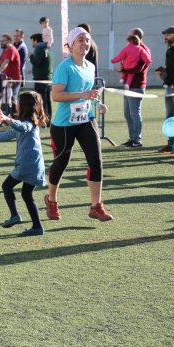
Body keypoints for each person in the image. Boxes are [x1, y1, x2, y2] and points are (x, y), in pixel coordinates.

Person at [43, 27, 113, 222]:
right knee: (61, 162)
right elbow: (56, 95)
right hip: (64, 123)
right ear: (71, 44)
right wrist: (82, 95)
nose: (85, 43)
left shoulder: (90, 67)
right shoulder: (64, 67)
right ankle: (52, 199)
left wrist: (98, 103)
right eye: (80, 39)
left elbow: (88, 92)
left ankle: (96, 206)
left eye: (88, 40)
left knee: (96, 161)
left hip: (86, 119)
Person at [0, 91, 48, 236]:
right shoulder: (26, 123)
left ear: (24, 106)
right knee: (26, 194)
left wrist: (8, 119)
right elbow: (11, 133)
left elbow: (22, 128)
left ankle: (15, 216)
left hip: (26, 166)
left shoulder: (28, 124)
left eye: (18, 102)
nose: (16, 105)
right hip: (35, 166)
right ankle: (37, 227)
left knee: (6, 186)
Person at [117, 28, 152, 148]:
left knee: (134, 113)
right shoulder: (131, 49)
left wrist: (125, 69)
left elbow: (139, 68)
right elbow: (127, 65)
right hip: (128, 85)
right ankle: (132, 138)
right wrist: (122, 68)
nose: (127, 38)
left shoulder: (143, 49)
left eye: (129, 35)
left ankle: (137, 140)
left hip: (137, 86)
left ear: (135, 36)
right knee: (128, 113)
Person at [0, 34, 22, 114]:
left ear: (9, 41)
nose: (1, 42)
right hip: (5, 79)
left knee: (12, 99)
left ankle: (14, 117)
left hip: (13, 80)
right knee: (3, 99)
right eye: (1, 41)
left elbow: (6, 62)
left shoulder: (11, 49)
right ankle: (5, 117)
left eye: (3, 41)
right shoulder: (5, 50)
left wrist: (0, 71)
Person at [29, 33, 54, 121]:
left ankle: (44, 120)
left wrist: (31, 56)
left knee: (41, 100)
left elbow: (36, 63)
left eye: (32, 41)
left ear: (36, 40)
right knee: (47, 100)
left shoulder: (39, 48)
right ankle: (48, 119)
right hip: (47, 77)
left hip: (40, 78)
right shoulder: (48, 48)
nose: (31, 43)